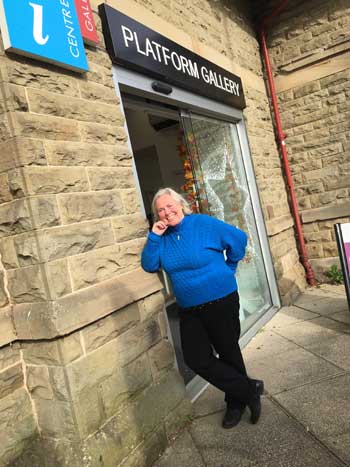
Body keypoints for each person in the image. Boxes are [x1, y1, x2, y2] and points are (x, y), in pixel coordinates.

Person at [141, 187, 264, 429]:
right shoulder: (162, 238)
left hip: (221, 299)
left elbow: (238, 239)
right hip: (189, 308)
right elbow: (149, 264)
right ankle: (250, 389)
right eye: (160, 210)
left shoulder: (202, 224)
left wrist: (229, 268)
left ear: (180, 204)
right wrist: (154, 236)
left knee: (228, 352)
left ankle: (235, 404)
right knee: (196, 359)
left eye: (170, 206)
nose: (167, 212)